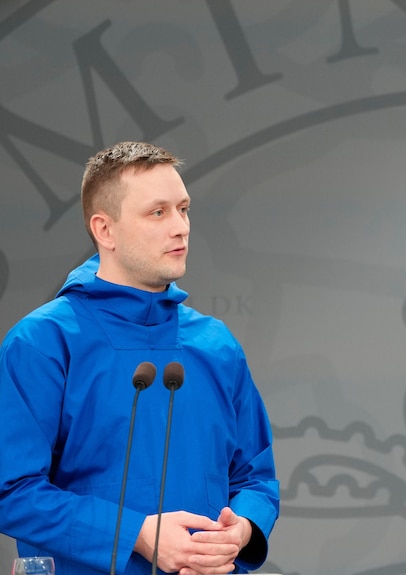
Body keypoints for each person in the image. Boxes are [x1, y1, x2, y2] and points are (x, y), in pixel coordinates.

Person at [0, 142, 279, 575]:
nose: (181, 227)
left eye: (183, 209)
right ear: (104, 230)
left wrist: (241, 528)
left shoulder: (216, 345)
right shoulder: (44, 342)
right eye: (158, 213)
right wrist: (136, 535)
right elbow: (11, 490)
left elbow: (255, 477)